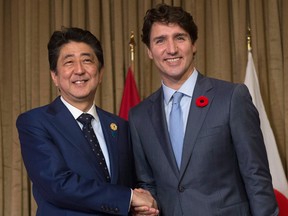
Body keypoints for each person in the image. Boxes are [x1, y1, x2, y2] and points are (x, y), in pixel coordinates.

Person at [129, 4, 279, 216]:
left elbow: (256, 176)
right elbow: (148, 183)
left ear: (193, 45)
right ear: (149, 52)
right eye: (160, 40)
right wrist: (146, 204)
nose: (171, 49)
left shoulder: (231, 98)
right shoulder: (139, 116)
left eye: (179, 37)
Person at [16, 27, 158, 216]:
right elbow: (57, 185)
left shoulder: (121, 126)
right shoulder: (35, 122)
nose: (79, 70)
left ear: (100, 73)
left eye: (87, 60)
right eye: (69, 62)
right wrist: (129, 198)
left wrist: (142, 206)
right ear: (55, 76)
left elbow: (133, 183)